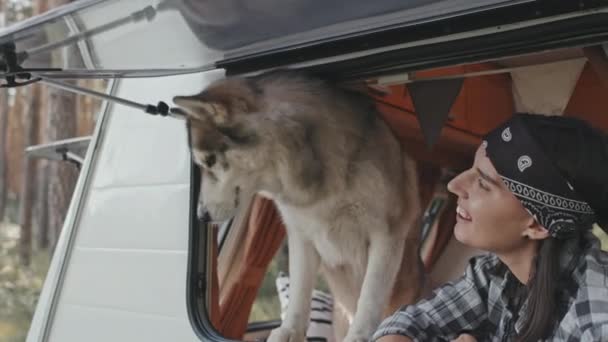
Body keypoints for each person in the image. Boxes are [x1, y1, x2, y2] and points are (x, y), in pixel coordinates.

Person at [373, 113, 608, 341]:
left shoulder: (597, 311)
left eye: (483, 183)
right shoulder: (494, 274)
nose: (455, 185)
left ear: (536, 224)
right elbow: (412, 322)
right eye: (470, 169)